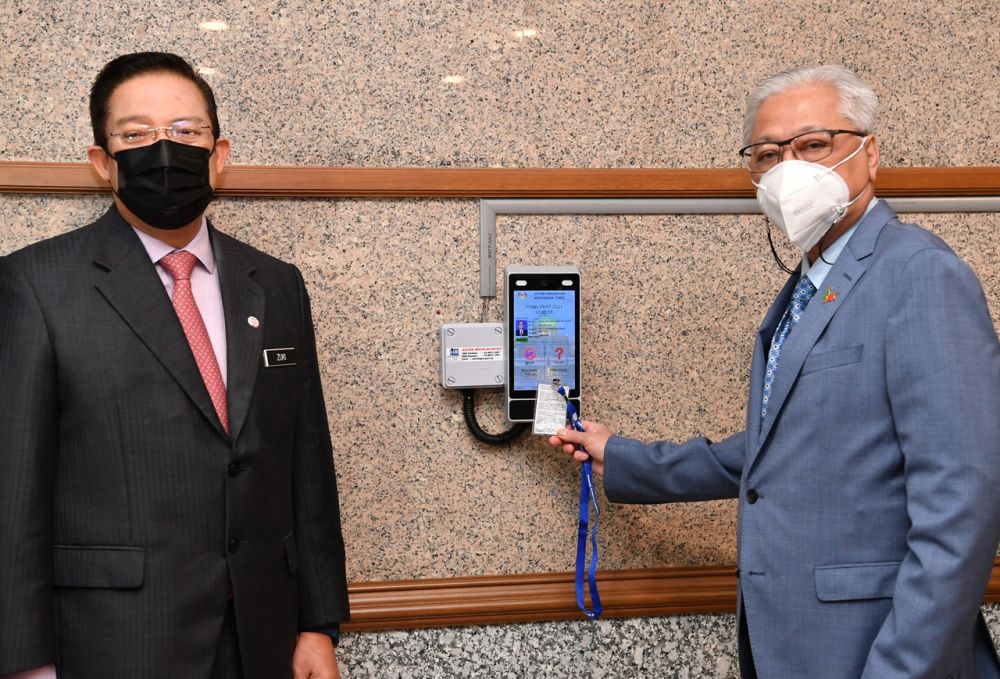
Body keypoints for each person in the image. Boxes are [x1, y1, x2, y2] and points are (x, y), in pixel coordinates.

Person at [550, 65, 1000, 678]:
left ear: (869, 154)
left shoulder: (918, 274)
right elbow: (789, 448)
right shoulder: (813, 283)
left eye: (813, 145)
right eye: (768, 153)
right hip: (793, 645)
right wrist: (628, 459)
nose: (789, 168)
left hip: (877, 651)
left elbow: (963, 501)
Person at [0, 52, 350, 679]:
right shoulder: (36, 284)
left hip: (264, 639)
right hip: (114, 642)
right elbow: (13, 490)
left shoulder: (274, 283)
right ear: (102, 163)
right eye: (136, 135)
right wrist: (25, 664)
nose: (165, 151)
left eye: (187, 132)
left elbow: (306, 466)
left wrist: (316, 625)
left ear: (220, 155)